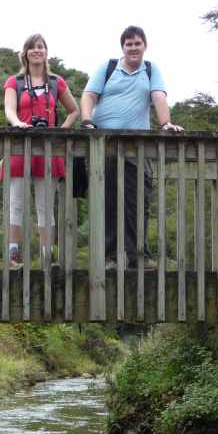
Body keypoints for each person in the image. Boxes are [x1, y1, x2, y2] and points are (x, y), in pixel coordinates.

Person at [80, 25, 183, 269]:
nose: (133, 48)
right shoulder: (107, 67)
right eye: (129, 44)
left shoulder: (151, 69)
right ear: (122, 47)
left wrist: (166, 123)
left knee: (137, 202)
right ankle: (109, 258)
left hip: (138, 146)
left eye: (137, 43)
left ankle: (139, 256)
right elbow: (89, 95)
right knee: (108, 202)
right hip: (105, 144)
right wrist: (86, 121)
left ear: (145, 46)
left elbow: (158, 96)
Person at [3, 33, 79, 268]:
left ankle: (47, 256)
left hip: (48, 150)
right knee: (16, 203)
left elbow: (74, 110)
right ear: (25, 53)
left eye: (41, 47)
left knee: (46, 206)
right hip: (20, 147)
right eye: (32, 47)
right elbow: (9, 109)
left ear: (46, 52)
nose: (37, 51)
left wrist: (60, 132)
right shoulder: (14, 82)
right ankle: (14, 254)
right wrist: (18, 123)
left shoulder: (56, 82)